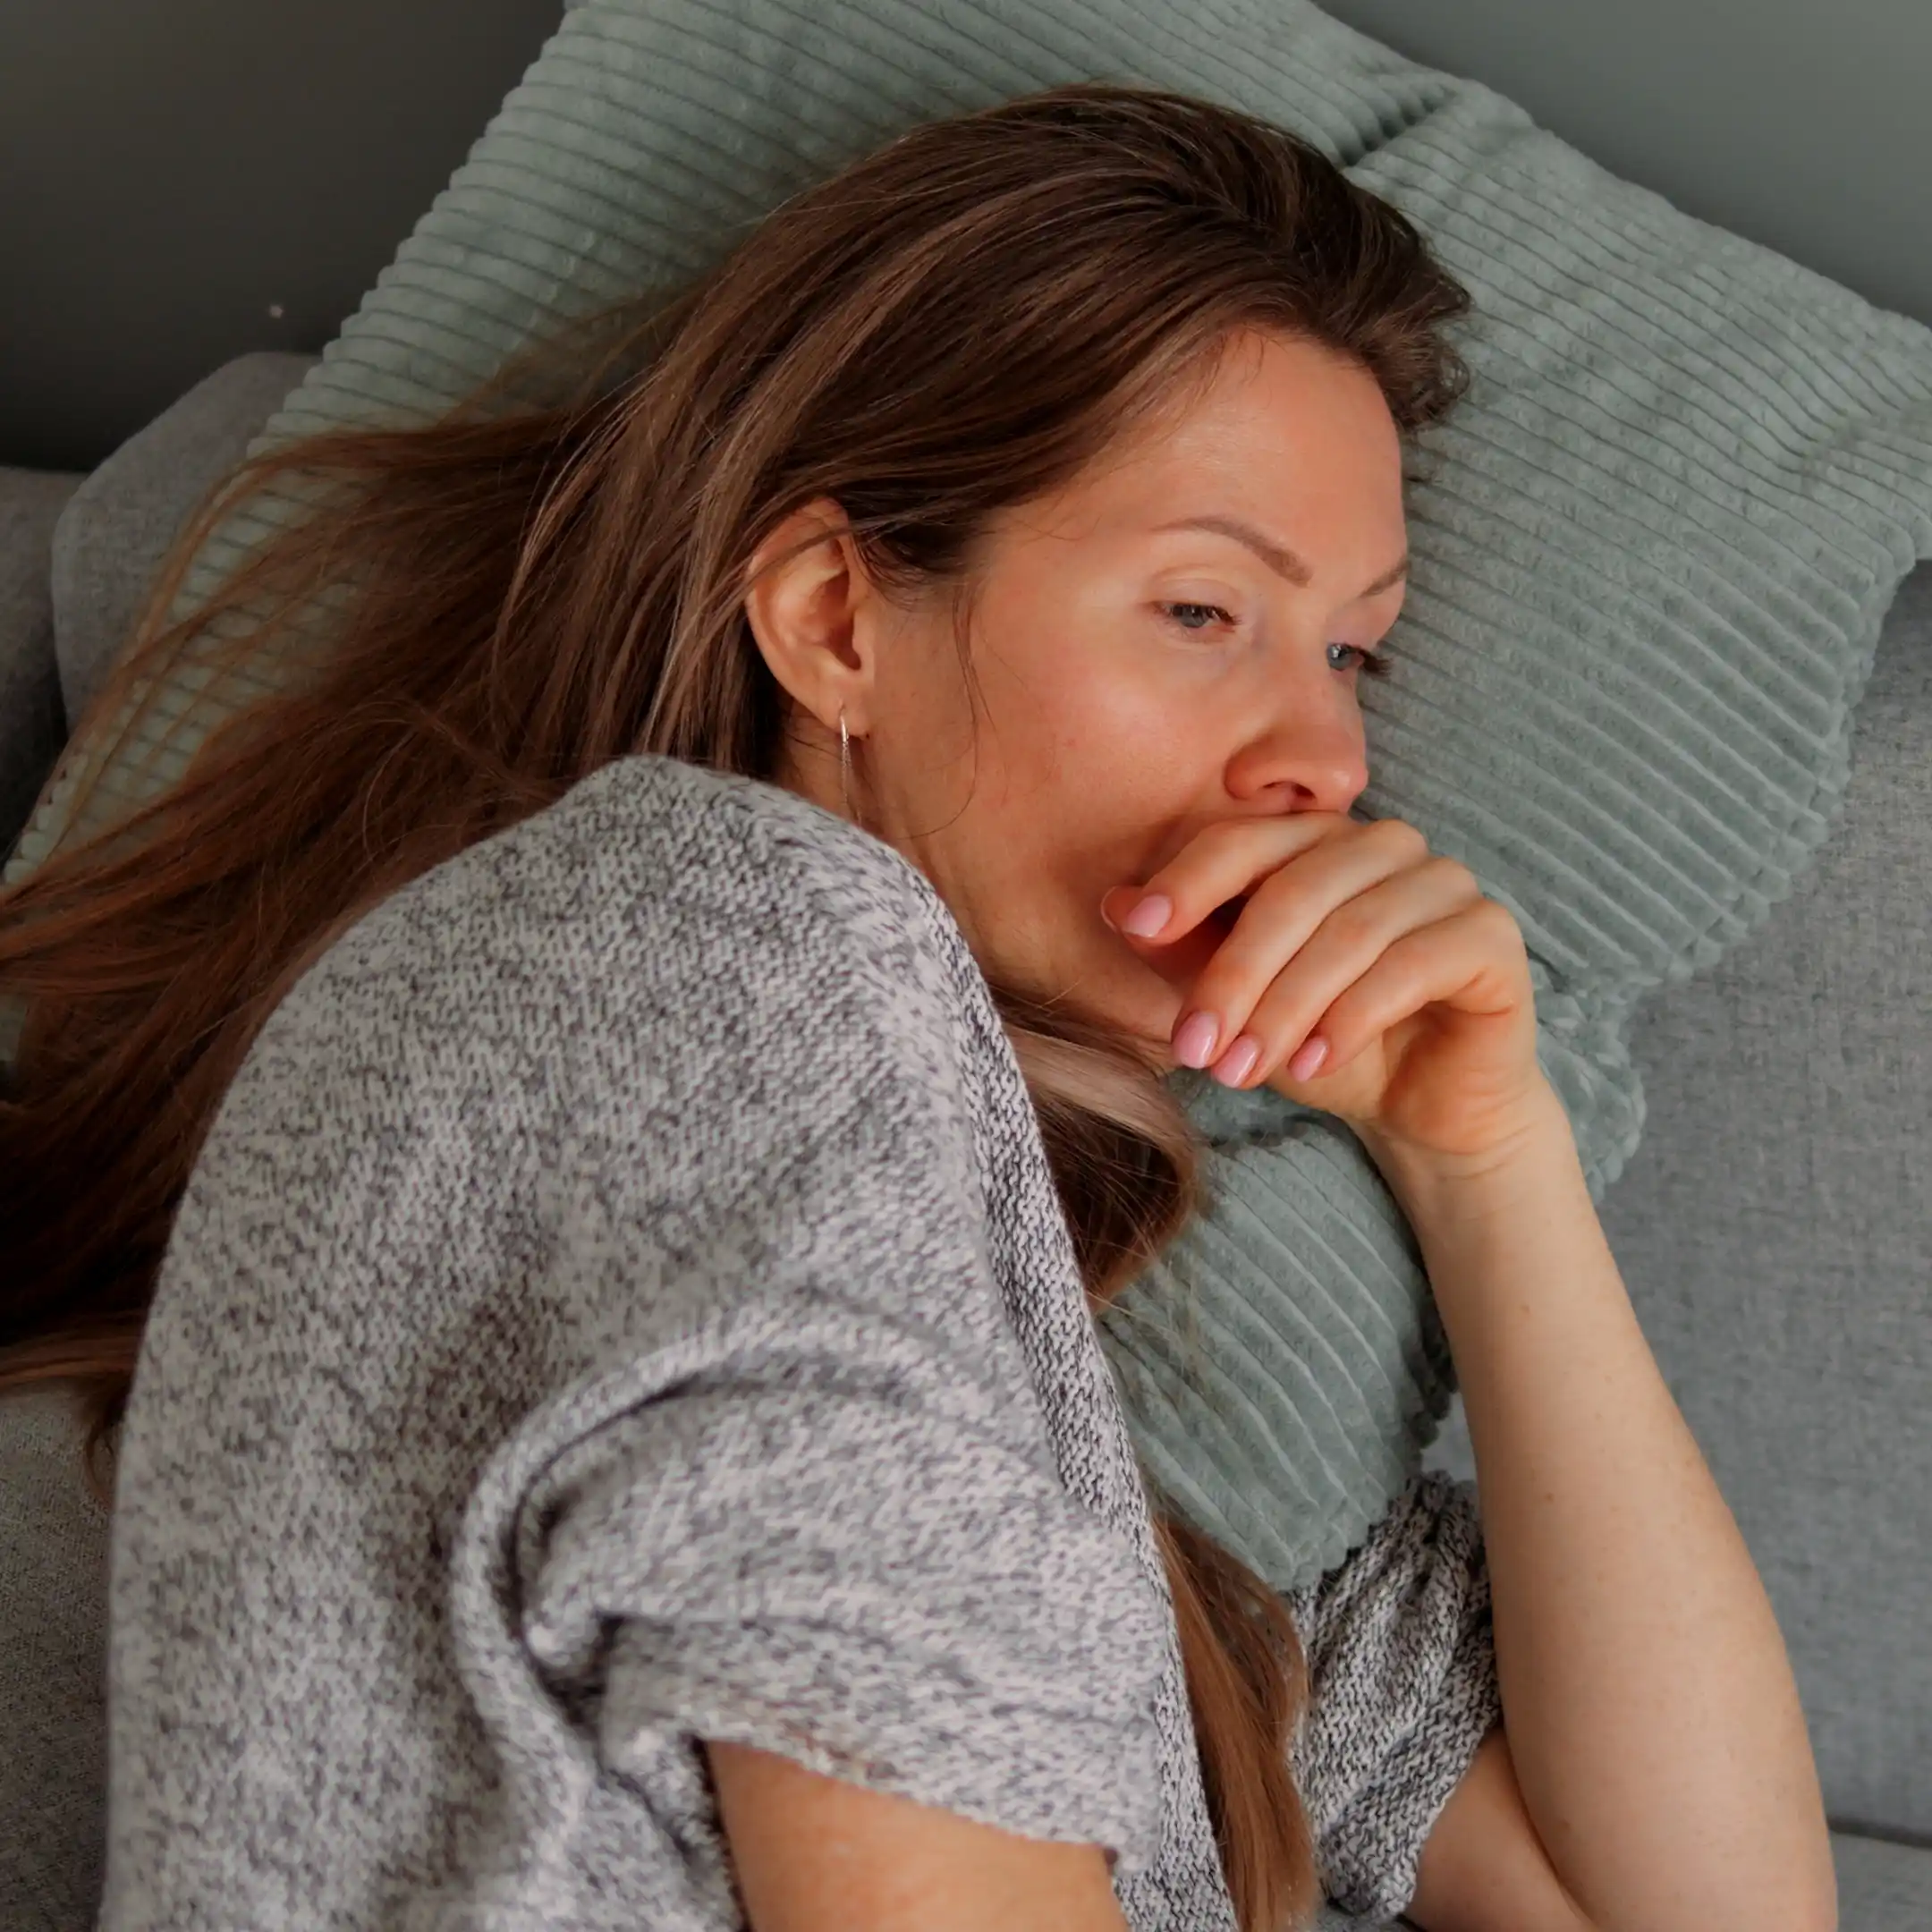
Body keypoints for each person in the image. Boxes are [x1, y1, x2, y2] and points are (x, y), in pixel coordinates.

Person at [0, 83, 1834, 1932]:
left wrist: (1484, 1148)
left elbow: (1700, 1908)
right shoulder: (711, 941)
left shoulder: (1092, 1452)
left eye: (1350, 647)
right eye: (1204, 611)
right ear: (835, 621)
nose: (1330, 754)